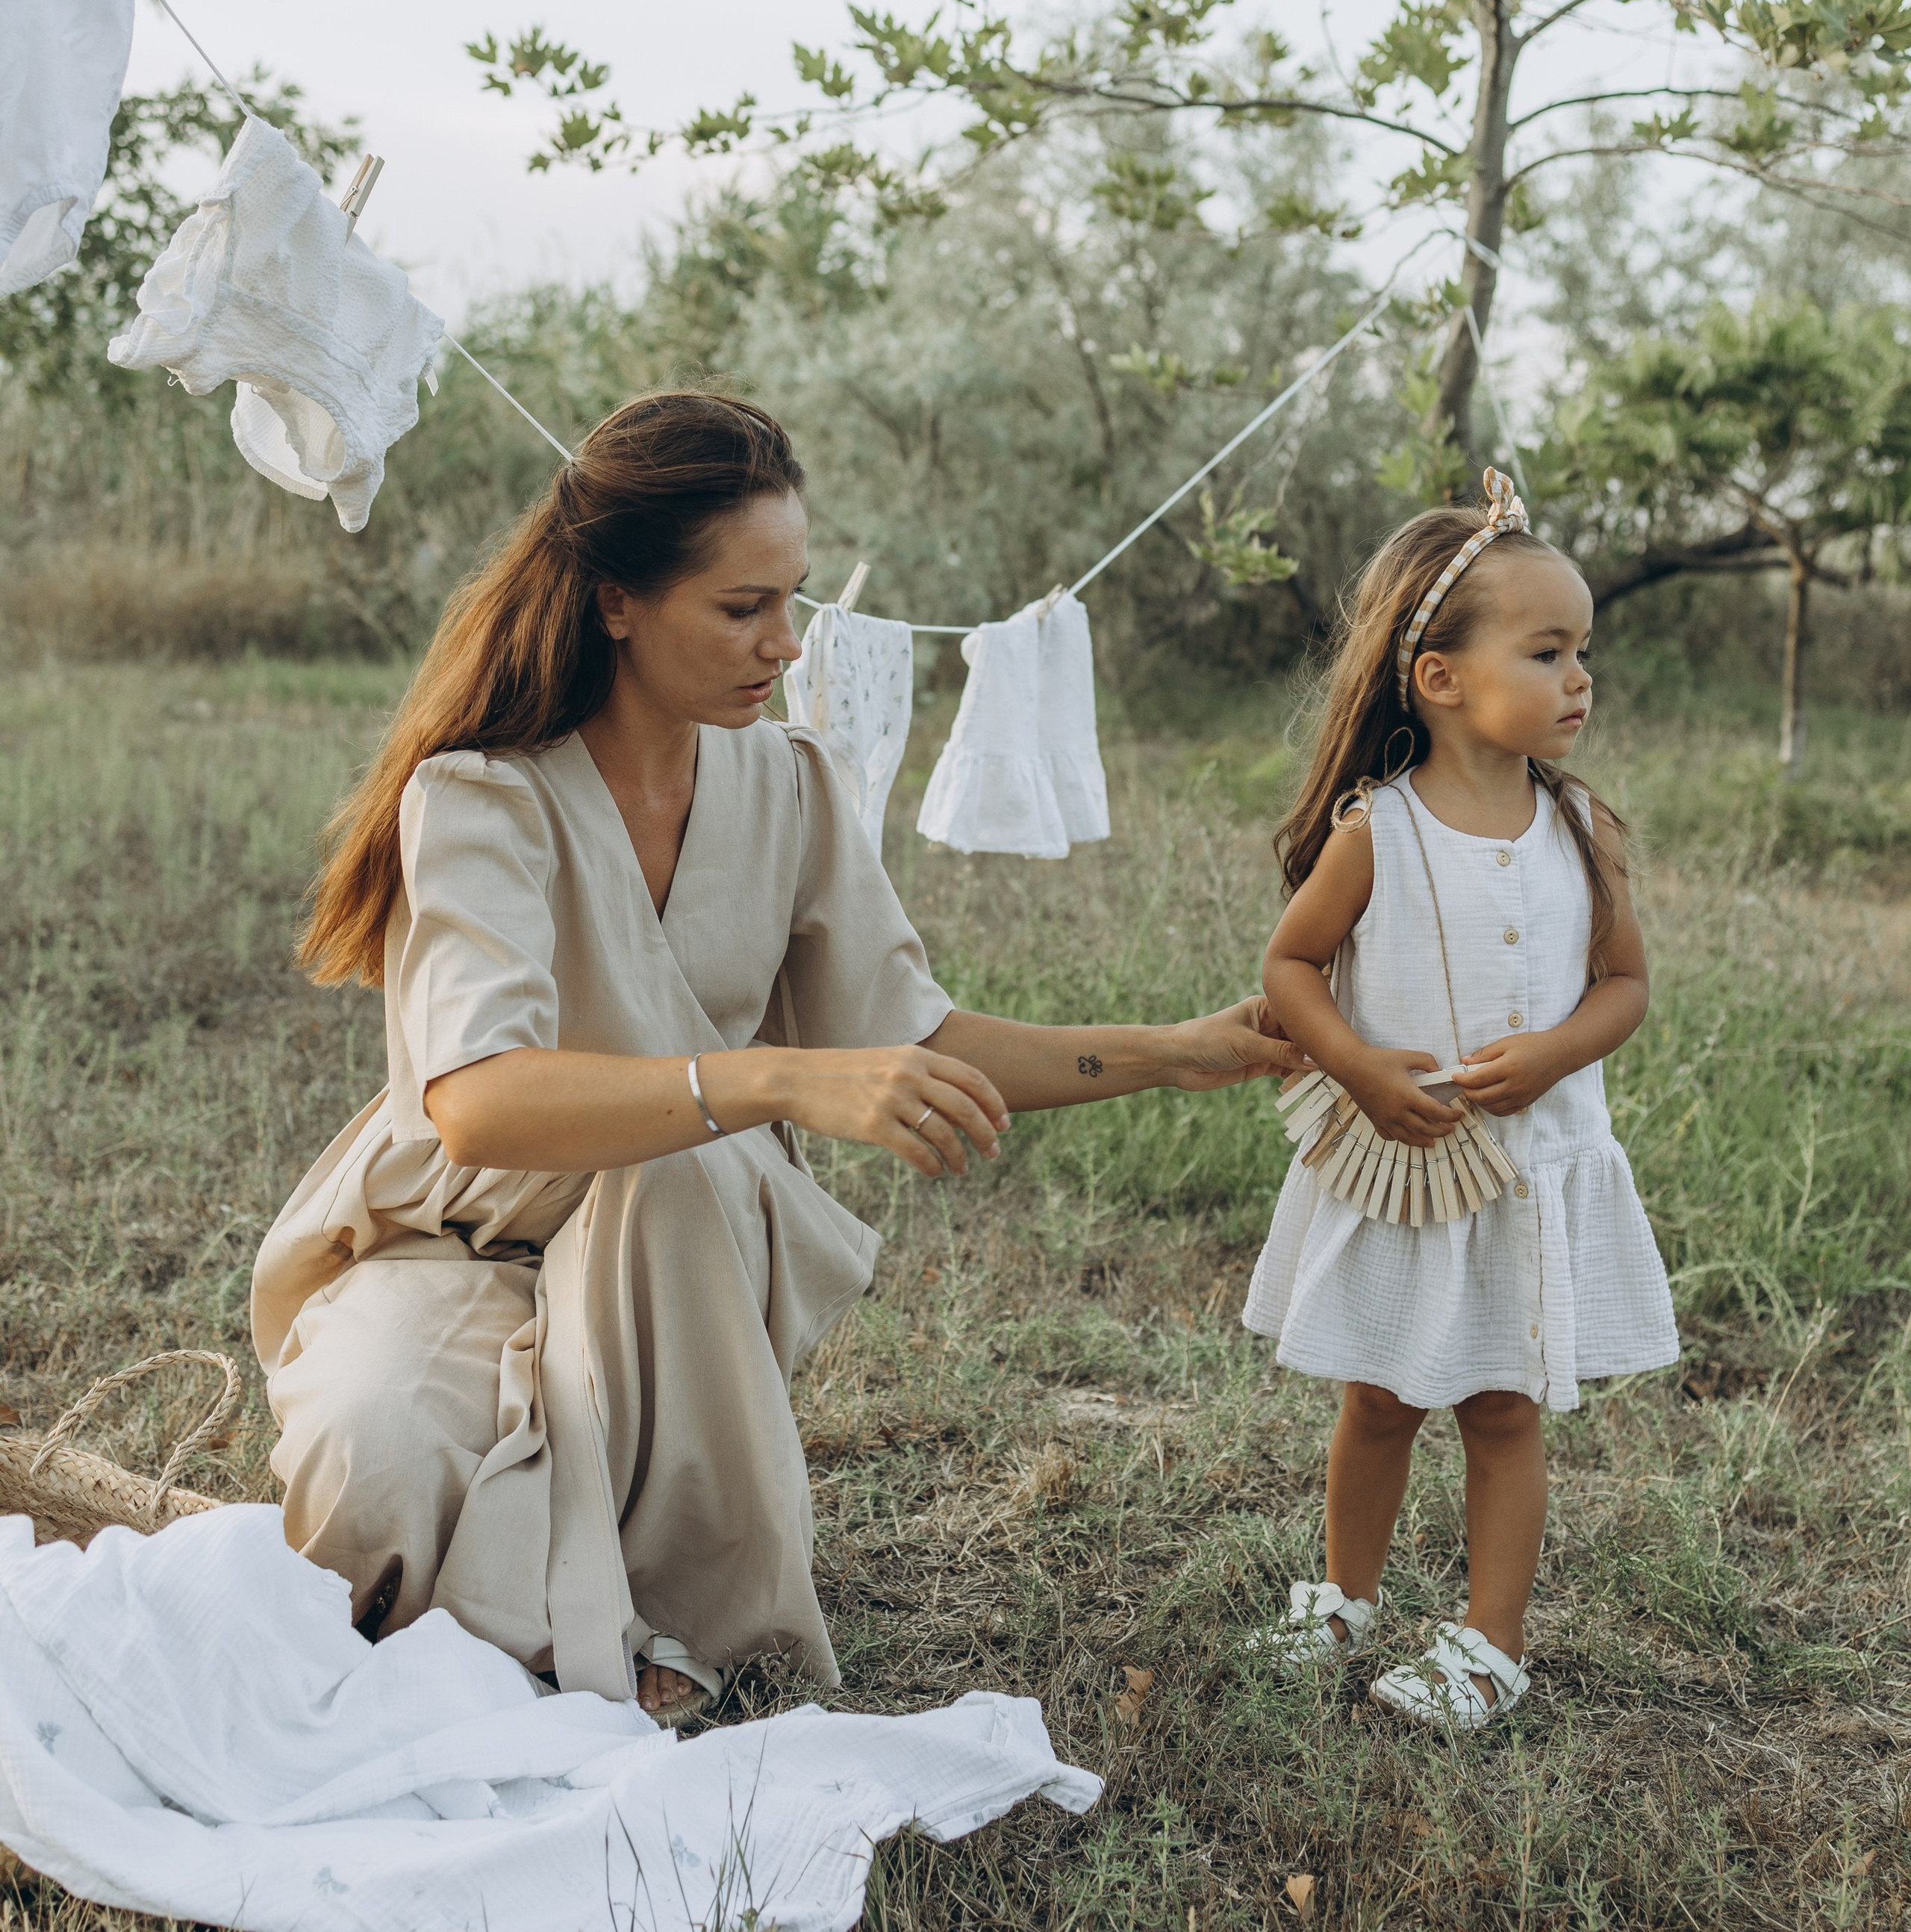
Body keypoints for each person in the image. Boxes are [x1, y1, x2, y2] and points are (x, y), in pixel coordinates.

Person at [253, 392, 1291, 1721]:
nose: (784, 647)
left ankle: (670, 1603)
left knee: (683, 1171)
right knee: (371, 1469)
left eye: (791, 602)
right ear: (618, 602)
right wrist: (778, 1078)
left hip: (671, 1269)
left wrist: (1177, 1052)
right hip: (460, 1242)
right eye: (743, 609)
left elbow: (912, 1035)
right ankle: (534, 1629)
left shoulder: (789, 785)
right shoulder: (481, 796)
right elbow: (474, 1104)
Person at [1246, 471, 1677, 1731]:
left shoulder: (1578, 825)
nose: (1580, 678)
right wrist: (1363, 1069)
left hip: (1529, 1166)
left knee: (1500, 1404)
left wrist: (1553, 1052)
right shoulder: (1377, 829)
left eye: (1583, 651)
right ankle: (1341, 1596)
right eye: (1548, 651)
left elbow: (1626, 984)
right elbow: (1289, 965)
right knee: (1378, 1396)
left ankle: (1492, 1643)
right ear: (1440, 677)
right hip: (1406, 1163)